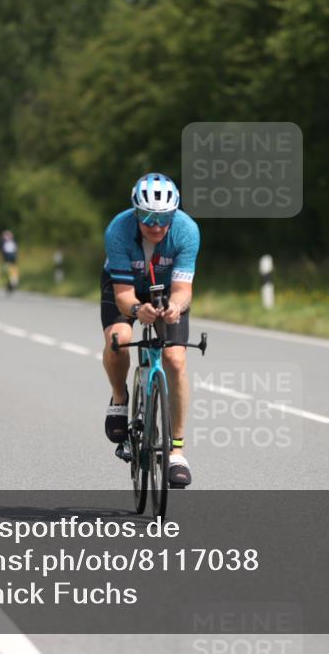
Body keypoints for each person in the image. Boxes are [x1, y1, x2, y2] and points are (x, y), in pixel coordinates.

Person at [101, 173, 200, 487]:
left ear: (174, 214)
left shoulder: (187, 230)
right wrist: (135, 310)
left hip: (166, 290)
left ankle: (177, 451)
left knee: (175, 360)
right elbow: (123, 295)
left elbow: (183, 290)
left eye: (164, 218)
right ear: (135, 212)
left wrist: (175, 307)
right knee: (119, 339)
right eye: (147, 217)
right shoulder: (118, 230)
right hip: (126, 289)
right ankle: (120, 398)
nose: (156, 226)